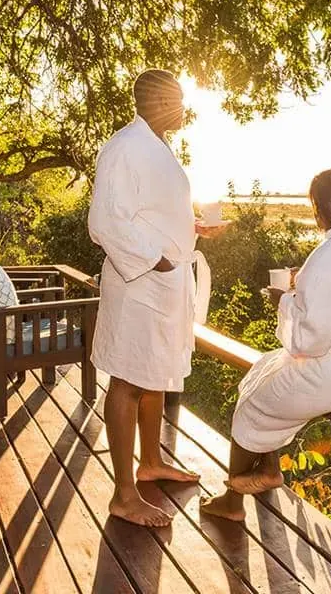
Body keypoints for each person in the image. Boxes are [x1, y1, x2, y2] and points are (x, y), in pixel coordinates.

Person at [201, 168, 331, 522]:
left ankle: (232, 501)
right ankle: (269, 469)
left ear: (318, 208)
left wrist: (282, 301)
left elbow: (308, 342)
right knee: (261, 371)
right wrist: (302, 289)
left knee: (250, 408)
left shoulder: (329, 257)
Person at [88, 69, 224, 527]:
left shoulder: (158, 145)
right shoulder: (125, 147)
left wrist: (192, 231)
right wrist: (159, 260)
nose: (185, 107)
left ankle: (151, 463)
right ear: (158, 102)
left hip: (163, 284)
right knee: (128, 379)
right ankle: (124, 495)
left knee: (155, 375)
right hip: (139, 284)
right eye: (179, 99)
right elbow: (106, 222)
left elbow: (152, 214)